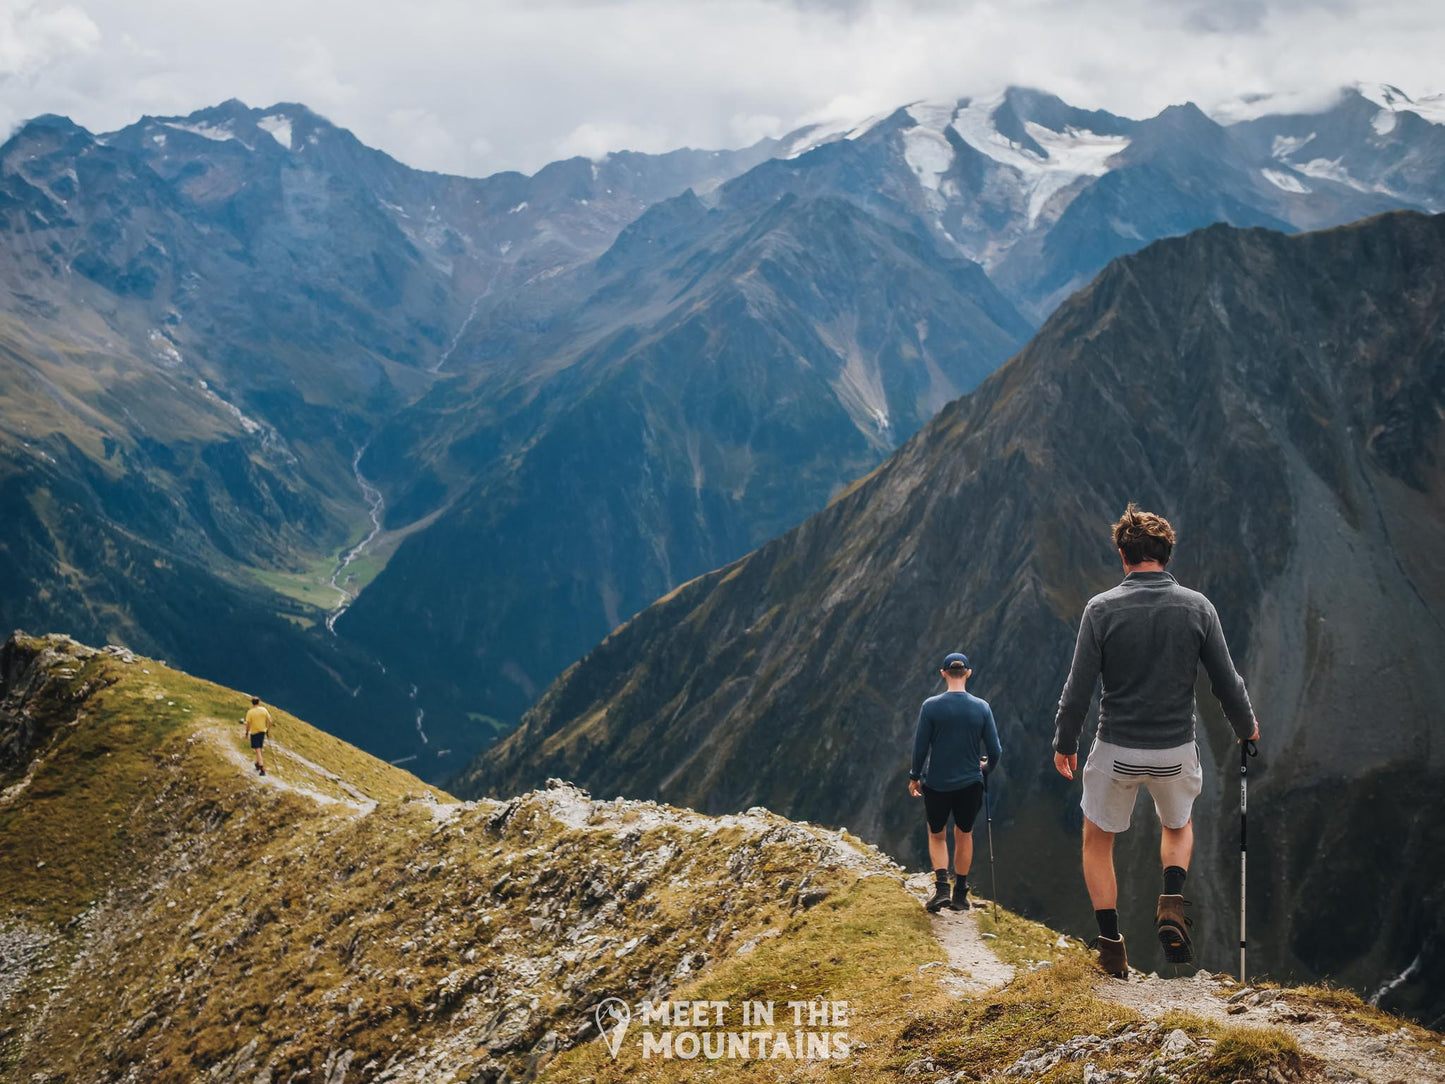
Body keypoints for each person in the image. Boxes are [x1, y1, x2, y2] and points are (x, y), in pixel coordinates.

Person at [1053, 505, 1260, 979]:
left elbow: (1077, 688)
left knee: (1097, 841)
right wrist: (1246, 727)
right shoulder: (1198, 607)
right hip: (1174, 751)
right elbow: (1227, 682)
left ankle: (1110, 949)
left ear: (1122, 555)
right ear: (1165, 555)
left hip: (1116, 750)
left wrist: (1065, 742)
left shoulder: (1100, 609)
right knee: (1178, 826)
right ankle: (1171, 901)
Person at [908, 652, 1003, 913]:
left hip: (937, 783)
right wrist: (986, 769)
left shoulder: (931, 706)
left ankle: (941, 889)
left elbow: (920, 747)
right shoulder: (982, 707)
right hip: (971, 783)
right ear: (969, 673)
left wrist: (914, 776)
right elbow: (995, 750)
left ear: (943, 673)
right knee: (965, 834)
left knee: (937, 835)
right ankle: (960, 895)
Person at [240, 695, 274, 776]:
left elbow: (248, 724)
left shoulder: (250, 712)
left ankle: (262, 768)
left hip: (254, 732)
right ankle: (258, 763)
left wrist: (247, 733)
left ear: (252, 703)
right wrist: (267, 729)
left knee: (258, 749)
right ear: (259, 702)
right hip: (262, 731)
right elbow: (270, 720)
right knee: (260, 748)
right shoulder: (264, 710)